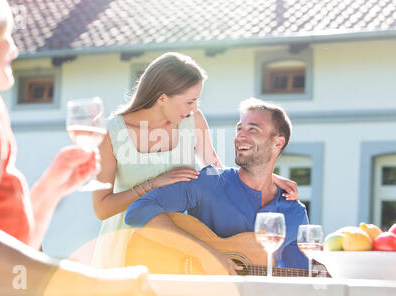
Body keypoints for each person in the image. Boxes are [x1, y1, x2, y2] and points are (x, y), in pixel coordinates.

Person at [0, 0, 153, 296]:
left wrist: (49, 189)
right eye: (8, 34)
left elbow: (2, 256)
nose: (15, 50)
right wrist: (99, 286)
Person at [91, 52, 300, 269]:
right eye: (189, 101)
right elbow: (102, 208)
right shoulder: (110, 132)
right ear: (162, 98)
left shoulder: (192, 121)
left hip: (177, 240)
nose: (194, 108)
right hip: (125, 239)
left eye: (197, 100)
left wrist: (265, 177)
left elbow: (215, 171)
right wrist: (153, 183)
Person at [125, 97, 309, 275]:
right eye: (239, 129)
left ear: (278, 142)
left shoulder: (294, 212)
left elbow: (299, 280)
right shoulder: (210, 182)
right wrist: (204, 253)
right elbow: (138, 210)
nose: (239, 137)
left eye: (253, 130)